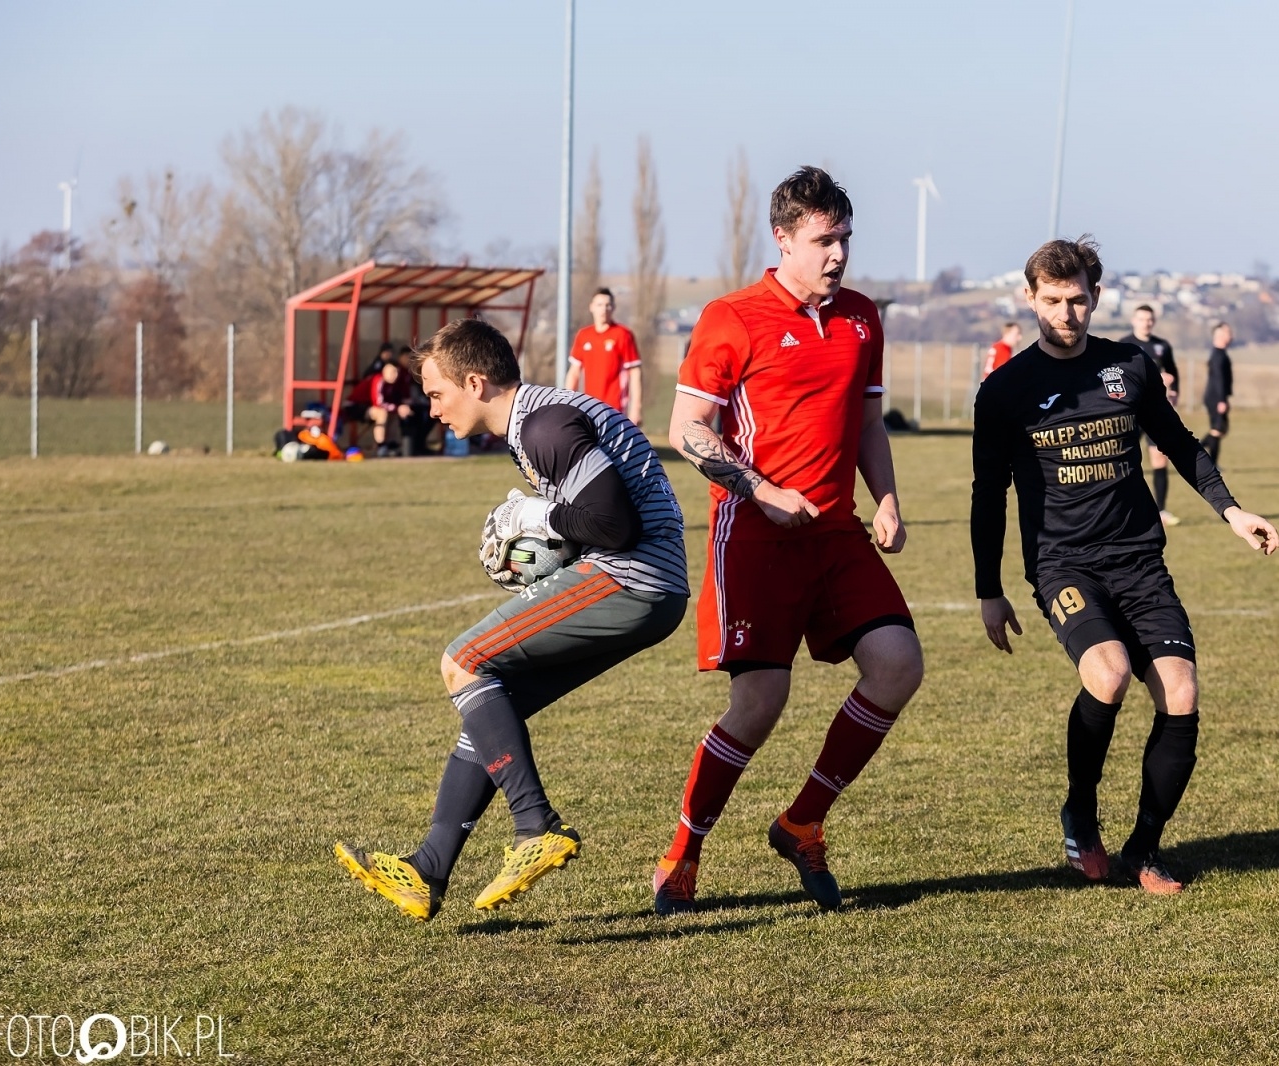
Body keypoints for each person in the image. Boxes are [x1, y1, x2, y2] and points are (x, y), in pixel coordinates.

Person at [333, 318, 689, 921]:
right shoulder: (534, 422)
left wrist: (539, 521)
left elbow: (613, 525)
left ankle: (535, 825)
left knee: (463, 661)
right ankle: (428, 868)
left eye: (437, 393)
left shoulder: (543, 425)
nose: (432, 410)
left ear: (475, 383)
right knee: (488, 711)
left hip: (631, 578)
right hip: (649, 585)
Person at [652, 166, 923, 915]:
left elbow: (868, 423)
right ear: (783, 239)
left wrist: (887, 499)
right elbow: (686, 429)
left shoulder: (862, 317)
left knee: (898, 666)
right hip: (754, 534)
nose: (839, 254)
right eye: (824, 240)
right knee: (760, 702)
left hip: (836, 533)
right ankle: (683, 852)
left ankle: (802, 822)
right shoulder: (732, 317)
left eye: (846, 239)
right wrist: (762, 492)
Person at [970, 237, 1279, 895]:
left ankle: (1144, 849)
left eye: (1078, 300)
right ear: (1030, 298)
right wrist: (988, 589)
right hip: (1063, 566)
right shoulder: (1004, 390)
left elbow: (1179, 444)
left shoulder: (1129, 366)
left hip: (1139, 561)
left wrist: (1231, 511)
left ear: (1096, 297)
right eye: (1052, 300)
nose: (1066, 313)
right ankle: (1080, 809)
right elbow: (987, 494)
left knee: (1181, 692)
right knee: (1108, 675)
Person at [1120, 305, 1182, 526]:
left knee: (1159, 459)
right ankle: (1122, 509)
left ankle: (1161, 510)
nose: (1146, 323)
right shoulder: (1124, 345)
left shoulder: (1162, 346)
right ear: (1133, 320)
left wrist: (1173, 393)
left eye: (1149, 319)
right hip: (1131, 411)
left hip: (1155, 411)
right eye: (1141, 319)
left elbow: (1173, 373)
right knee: (1123, 459)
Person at [564, 288, 644, 427]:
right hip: (589, 406)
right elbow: (574, 372)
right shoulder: (583, 335)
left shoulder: (623, 334)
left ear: (613, 308)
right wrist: (567, 403)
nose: (604, 309)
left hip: (616, 408)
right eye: (599, 305)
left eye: (608, 305)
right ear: (591, 307)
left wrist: (636, 409)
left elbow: (635, 372)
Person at [1201, 322, 1232, 465]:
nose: (1230, 335)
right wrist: (1221, 399)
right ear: (1219, 335)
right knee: (1217, 429)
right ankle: (1195, 452)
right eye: (1227, 332)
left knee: (1220, 429)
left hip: (1218, 397)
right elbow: (1218, 379)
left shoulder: (1221, 354)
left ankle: (1211, 462)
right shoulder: (1218, 355)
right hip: (1215, 397)